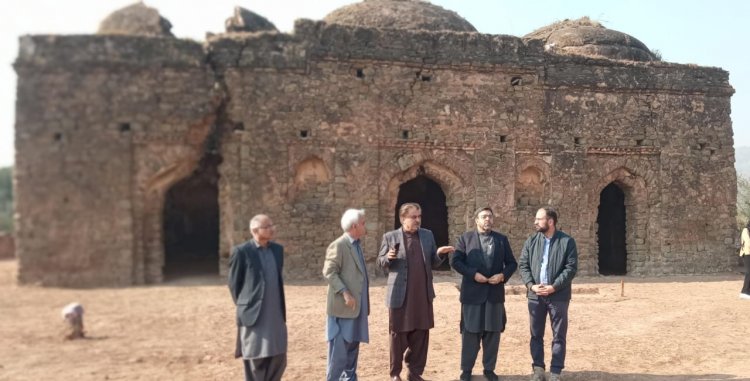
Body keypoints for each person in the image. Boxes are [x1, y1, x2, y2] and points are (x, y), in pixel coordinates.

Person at [377, 202, 455, 381]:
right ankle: (395, 373)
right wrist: (387, 258)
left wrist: (440, 254)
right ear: (403, 218)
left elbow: (433, 263)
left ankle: (414, 372)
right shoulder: (390, 237)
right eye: (414, 217)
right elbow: (380, 263)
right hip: (400, 295)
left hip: (422, 294)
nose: (418, 220)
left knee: (421, 334)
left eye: (419, 216)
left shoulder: (427, 235)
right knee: (397, 335)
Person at [450, 207, 517, 381]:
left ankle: (489, 369)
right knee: (470, 333)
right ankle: (466, 370)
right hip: (472, 294)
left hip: (494, 294)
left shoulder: (501, 240)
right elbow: (456, 261)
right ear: (476, 220)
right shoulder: (465, 239)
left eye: (490, 216)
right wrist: (473, 274)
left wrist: (502, 275)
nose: (487, 219)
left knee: (493, 334)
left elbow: (511, 263)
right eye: (484, 217)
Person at [518, 207, 578, 381]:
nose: (535, 222)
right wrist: (531, 286)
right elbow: (523, 265)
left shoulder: (567, 242)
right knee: (536, 334)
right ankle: (538, 369)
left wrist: (554, 286)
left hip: (558, 296)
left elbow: (570, 268)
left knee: (559, 335)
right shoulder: (531, 241)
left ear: (550, 221)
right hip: (535, 296)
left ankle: (555, 371)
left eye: (539, 219)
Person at [228, 214, 287, 381]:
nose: (272, 229)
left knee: (279, 357)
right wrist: (246, 305)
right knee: (255, 359)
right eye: (267, 227)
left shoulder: (277, 250)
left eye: (272, 225)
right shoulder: (241, 252)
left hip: (275, 315)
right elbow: (234, 285)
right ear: (255, 230)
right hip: (253, 316)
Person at [323, 209, 370, 380]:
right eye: (363, 223)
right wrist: (345, 292)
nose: (366, 226)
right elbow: (329, 272)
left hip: (356, 310)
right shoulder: (339, 245)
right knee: (339, 355)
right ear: (355, 226)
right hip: (343, 310)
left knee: (351, 352)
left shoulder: (356, 245)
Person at [740, 220, 750, 299]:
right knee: (749, 273)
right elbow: (748, 242)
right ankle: (744, 292)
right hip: (747, 253)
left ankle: (748, 292)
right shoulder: (745, 230)